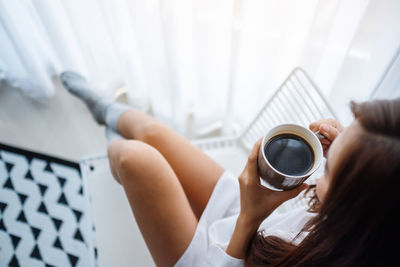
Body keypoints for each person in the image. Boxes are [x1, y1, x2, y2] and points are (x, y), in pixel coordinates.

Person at [61, 71, 400, 267]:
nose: (321, 168)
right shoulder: (373, 220)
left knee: (135, 158)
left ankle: (110, 140)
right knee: (152, 133)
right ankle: (104, 109)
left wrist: (248, 220)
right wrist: (345, 148)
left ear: (357, 213)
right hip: (247, 219)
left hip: (224, 254)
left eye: (329, 172)